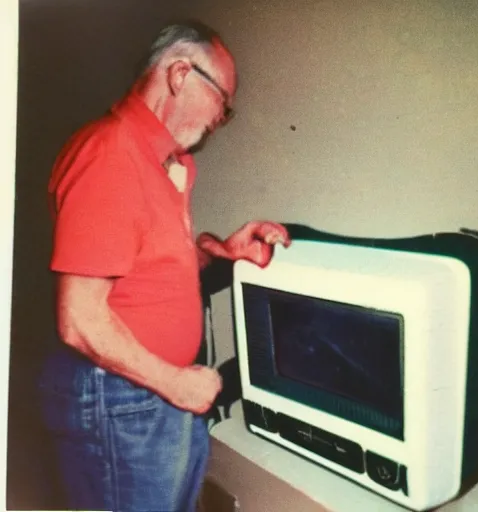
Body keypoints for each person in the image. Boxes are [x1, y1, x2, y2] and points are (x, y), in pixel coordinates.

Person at [38, 20, 291, 512]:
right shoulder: (110, 154)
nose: (224, 117)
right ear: (180, 74)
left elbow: (153, 270)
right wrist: (178, 384)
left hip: (150, 395)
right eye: (223, 100)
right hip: (123, 399)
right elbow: (79, 319)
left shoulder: (163, 163)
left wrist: (224, 251)